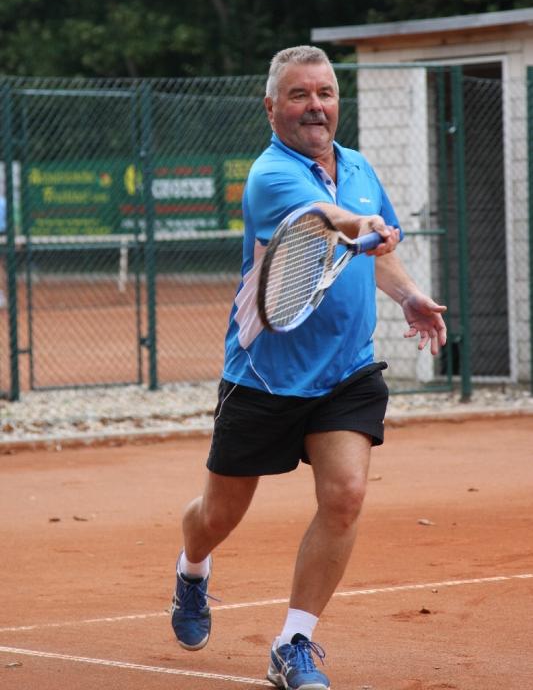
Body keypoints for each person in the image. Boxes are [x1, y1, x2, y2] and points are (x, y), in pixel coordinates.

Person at [170, 45, 447, 690]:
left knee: (345, 496)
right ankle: (191, 569)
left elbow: (377, 248)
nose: (315, 106)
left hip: (347, 371)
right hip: (264, 377)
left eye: (325, 93)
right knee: (218, 517)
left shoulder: (359, 166)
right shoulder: (270, 175)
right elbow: (324, 222)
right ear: (271, 107)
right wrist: (359, 222)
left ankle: (293, 643)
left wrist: (408, 294)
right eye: (299, 95)